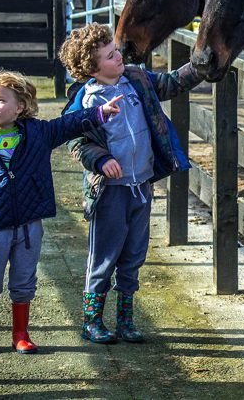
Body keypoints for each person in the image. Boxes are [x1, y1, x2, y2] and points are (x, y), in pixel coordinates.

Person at [0, 70, 122, 355]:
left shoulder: (39, 134)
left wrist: (100, 112)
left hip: (30, 225)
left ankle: (20, 333)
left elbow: (68, 124)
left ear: (20, 107)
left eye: (0, 100)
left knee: (24, 280)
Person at [58, 23, 202, 344]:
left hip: (141, 186)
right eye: (110, 56)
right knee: (104, 255)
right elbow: (75, 140)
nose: (118, 56)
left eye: (116, 50)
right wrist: (99, 159)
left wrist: (200, 66)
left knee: (134, 254)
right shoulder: (86, 100)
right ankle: (92, 320)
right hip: (110, 193)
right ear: (93, 68)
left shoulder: (136, 80)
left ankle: (126, 318)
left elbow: (171, 82)